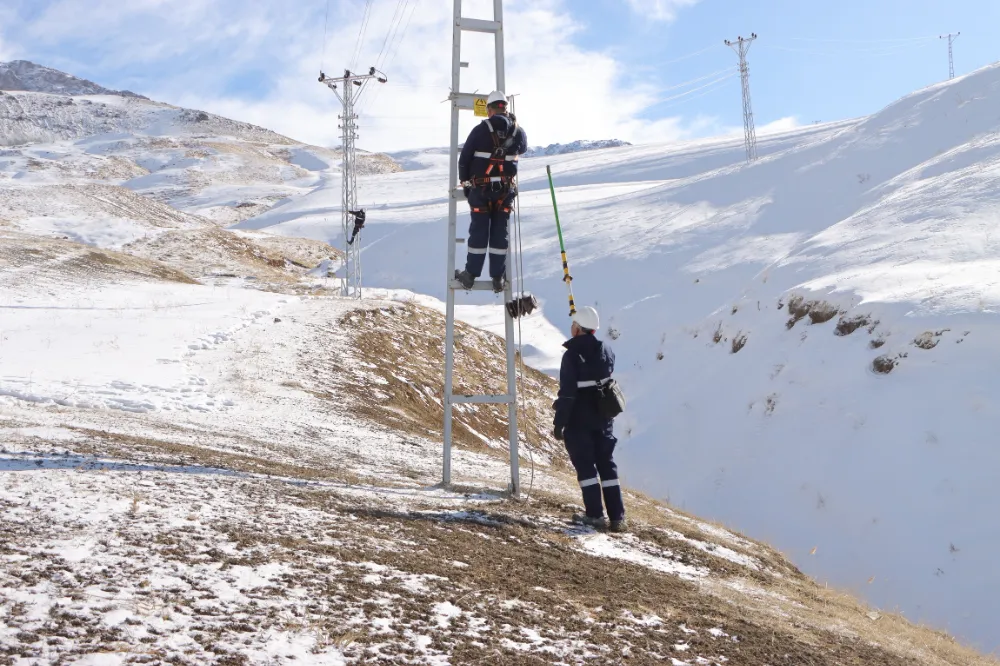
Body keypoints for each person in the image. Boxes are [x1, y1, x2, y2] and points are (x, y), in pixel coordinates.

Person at [552, 306, 627, 532]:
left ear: (578, 328)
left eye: (573, 324)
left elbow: (567, 393)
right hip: (604, 418)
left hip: (579, 419)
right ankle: (618, 518)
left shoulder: (572, 355)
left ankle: (595, 515)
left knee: (586, 468)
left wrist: (559, 422)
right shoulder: (606, 349)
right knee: (607, 465)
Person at [455, 90, 528, 293]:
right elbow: (523, 149)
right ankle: (498, 278)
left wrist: (465, 181)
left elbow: (465, 157)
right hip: (504, 192)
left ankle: (470, 275)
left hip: (481, 190)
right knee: (499, 234)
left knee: (479, 231)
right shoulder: (518, 131)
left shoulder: (481, 129)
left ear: (489, 109)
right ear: (505, 108)